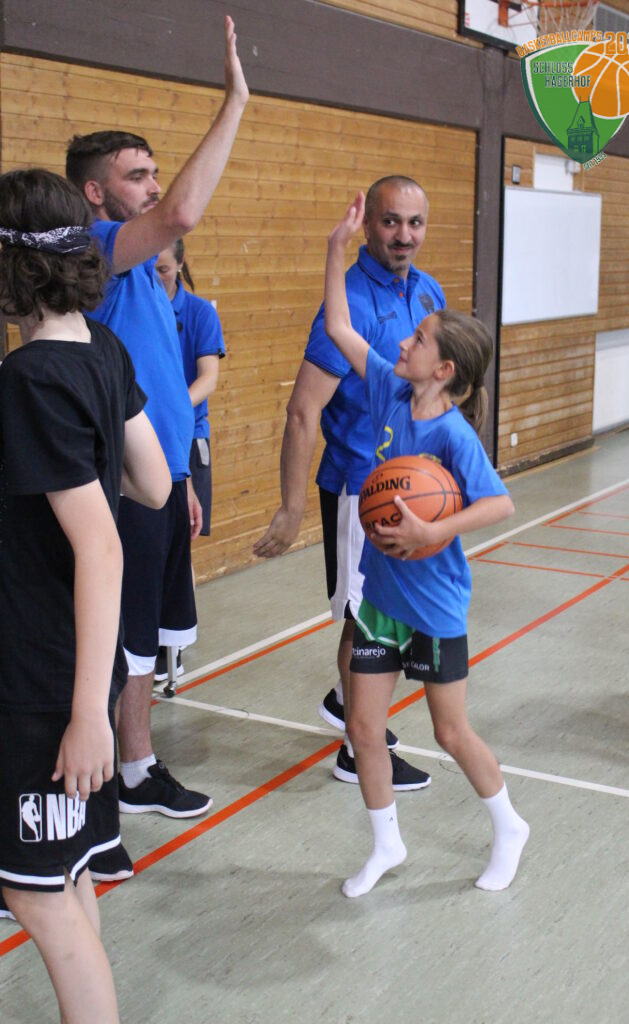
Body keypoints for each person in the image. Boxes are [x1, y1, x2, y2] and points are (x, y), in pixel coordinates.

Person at [65, 14, 248, 880]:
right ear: (95, 193)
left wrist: (183, 475)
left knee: (145, 639)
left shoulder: (148, 274)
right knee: (116, 643)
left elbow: (167, 385)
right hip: (118, 491)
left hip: (164, 480)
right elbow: (181, 210)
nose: (151, 187)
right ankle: (93, 793)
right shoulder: (96, 252)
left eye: (150, 171)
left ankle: (133, 770)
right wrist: (235, 100)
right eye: (134, 176)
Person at [322, 192, 529, 898]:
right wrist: (336, 248)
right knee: (362, 725)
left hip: (435, 603)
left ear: (442, 370)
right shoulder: (387, 389)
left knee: (449, 732)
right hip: (382, 596)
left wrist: (434, 530)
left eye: (418, 339)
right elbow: (339, 325)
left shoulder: (452, 435)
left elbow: (499, 502)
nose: (405, 342)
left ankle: (508, 825)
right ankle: (386, 844)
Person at [0, 168, 171, 1018]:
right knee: (64, 876)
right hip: (77, 672)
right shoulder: (103, 348)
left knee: (35, 897)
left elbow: (100, 548)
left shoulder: (28, 378)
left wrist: (87, 717)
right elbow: (156, 484)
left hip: (43, 685)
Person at [254, 175, 444, 791]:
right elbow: (302, 411)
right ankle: (358, 749)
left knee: (386, 613)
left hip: (412, 484)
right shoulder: (350, 303)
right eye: (391, 221)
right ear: (368, 225)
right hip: (361, 490)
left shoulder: (429, 292)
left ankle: (348, 705)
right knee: (368, 621)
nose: (404, 235)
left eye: (415, 223)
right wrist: (290, 509)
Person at [154, 239, 226, 682]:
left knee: (181, 542)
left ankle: (173, 644)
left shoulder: (198, 313)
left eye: (163, 269)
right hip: (143, 439)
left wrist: (172, 408)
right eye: (150, 269)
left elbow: (208, 377)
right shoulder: (137, 308)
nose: (156, 277)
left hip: (186, 437)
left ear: (180, 264)